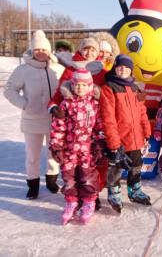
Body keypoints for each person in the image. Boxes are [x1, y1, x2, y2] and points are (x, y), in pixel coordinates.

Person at [47, 37, 108, 209]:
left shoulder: (102, 72)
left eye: (93, 50)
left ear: (98, 53)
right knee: (73, 167)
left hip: (94, 123)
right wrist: (53, 108)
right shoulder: (70, 70)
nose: (89, 52)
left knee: (94, 163)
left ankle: (92, 195)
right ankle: (76, 197)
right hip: (73, 125)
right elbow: (59, 94)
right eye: (86, 49)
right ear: (80, 51)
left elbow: (108, 96)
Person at [4, 30, 60, 199]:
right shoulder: (23, 69)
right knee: (33, 155)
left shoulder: (57, 68)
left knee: (53, 154)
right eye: (37, 50)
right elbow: (9, 90)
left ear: (49, 51)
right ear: (32, 51)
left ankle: (51, 181)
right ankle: (33, 184)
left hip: (54, 120)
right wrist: (24, 104)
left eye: (44, 50)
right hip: (32, 120)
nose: (40, 52)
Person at [49, 69, 103, 224]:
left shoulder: (94, 104)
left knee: (88, 177)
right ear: (72, 86)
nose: (80, 88)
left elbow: (99, 126)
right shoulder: (66, 104)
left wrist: (99, 143)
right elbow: (59, 127)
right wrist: (57, 146)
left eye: (83, 85)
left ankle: (88, 202)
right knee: (68, 177)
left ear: (90, 86)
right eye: (77, 85)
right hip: (69, 149)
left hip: (87, 150)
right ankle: (71, 202)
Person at [100, 55, 152, 212]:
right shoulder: (109, 88)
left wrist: (146, 132)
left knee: (136, 165)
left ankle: (135, 190)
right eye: (120, 67)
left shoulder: (135, 88)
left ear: (131, 70)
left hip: (135, 137)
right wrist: (114, 143)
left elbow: (142, 112)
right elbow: (108, 117)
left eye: (126, 67)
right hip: (119, 139)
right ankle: (114, 193)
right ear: (115, 68)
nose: (123, 70)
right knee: (116, 167)